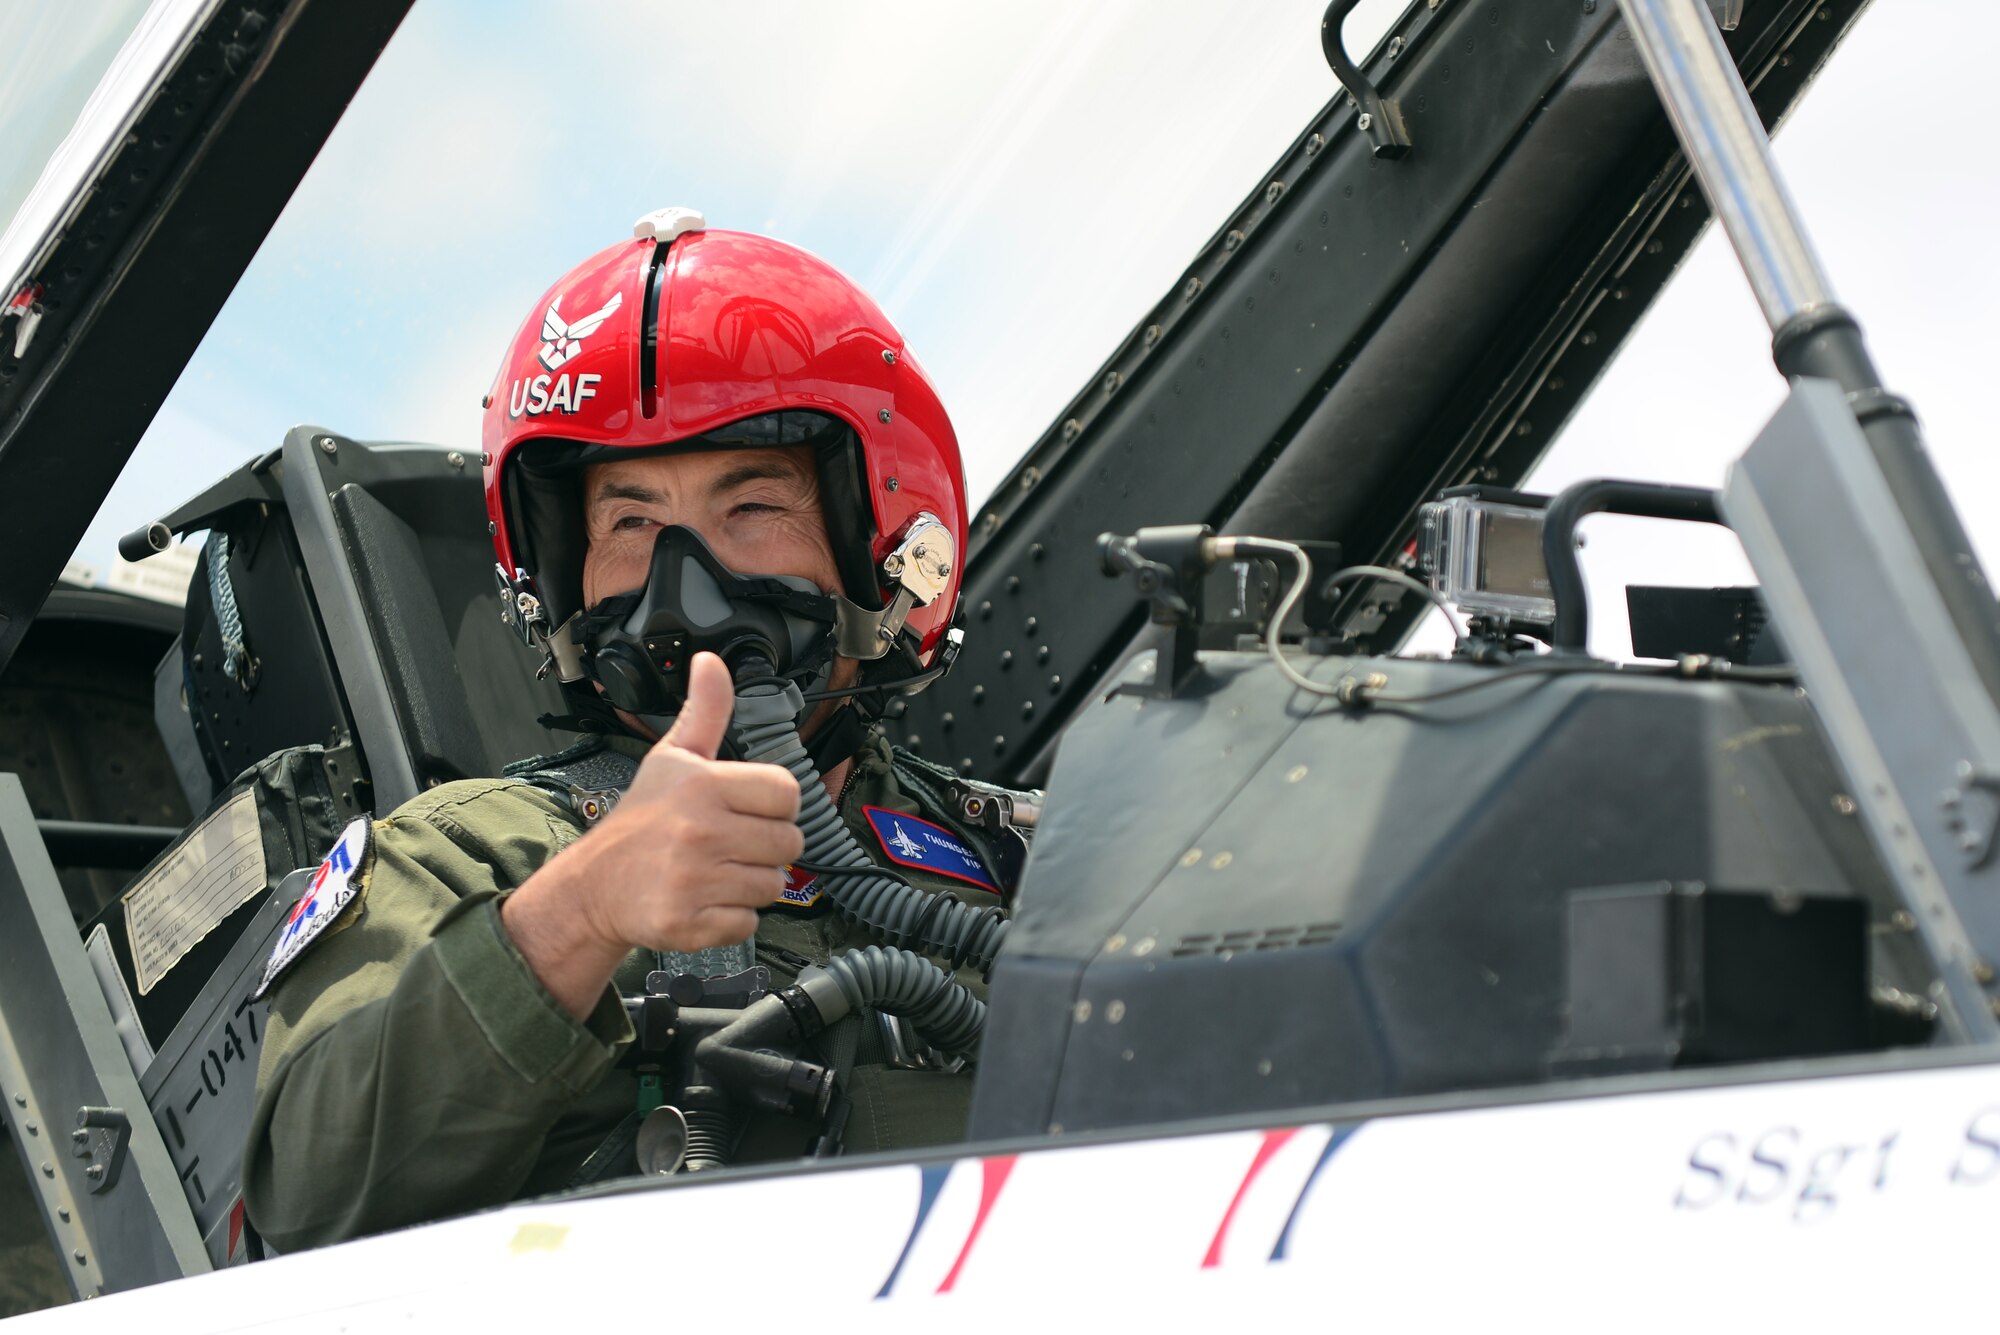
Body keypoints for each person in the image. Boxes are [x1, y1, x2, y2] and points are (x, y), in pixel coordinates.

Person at [242, 209, 1031, 1253]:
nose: (683, 587)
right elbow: (305, 1198)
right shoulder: (469, 855)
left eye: (750, 506)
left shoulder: (1015, 858)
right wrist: (576, 914)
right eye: (630, 523)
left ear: (878, 546)